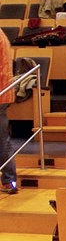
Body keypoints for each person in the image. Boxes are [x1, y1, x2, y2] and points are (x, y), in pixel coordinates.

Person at [0, 29, 17, 195]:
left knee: (2, 140)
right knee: (2, 139)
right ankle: (9, 180)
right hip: (4, 94)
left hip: (0, 94)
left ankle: (9, 180)